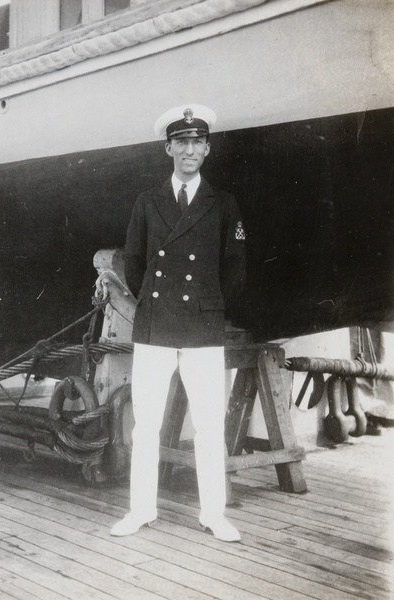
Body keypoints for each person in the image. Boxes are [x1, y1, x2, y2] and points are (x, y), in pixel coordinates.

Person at [110, 104, 246, 542]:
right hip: (156, 325)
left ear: (207, 149)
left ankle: (214, 514)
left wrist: (211, 304)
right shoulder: (147, 202)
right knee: (146, 424)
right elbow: (133, 264)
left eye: (197, 142)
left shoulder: (223, 204)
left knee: (209, 425)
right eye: (181, 142)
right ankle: (140, 510)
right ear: (169, 148)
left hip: (203, 327)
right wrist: (155, 299)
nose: (190, 150)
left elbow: (235, 268)